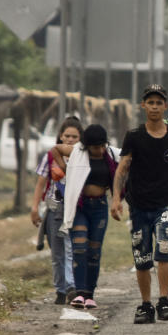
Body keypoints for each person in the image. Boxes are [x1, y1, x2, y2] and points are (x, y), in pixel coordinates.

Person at [111, 84, 168, 324]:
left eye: (159, 102)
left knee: (164, 250)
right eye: (150, 102)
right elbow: (122, 167)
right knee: (142, 257)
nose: (154, 107)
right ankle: (145, 305)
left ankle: (164, 300)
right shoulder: (133, 136)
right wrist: (116, 198)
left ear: (166, 106)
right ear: (143, 106)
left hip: (165, 204)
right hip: (139, 205)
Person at [52, 124, 119, 310]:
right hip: (80, 207)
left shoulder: (111, 154)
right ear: (87, 146)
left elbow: (127, 161)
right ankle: (79, 292)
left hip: (100, 207)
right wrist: (66, 168)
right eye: (95, 147)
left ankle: (90, 294)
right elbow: (55, 149)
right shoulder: (77, 152)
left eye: (101, 146)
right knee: (79, 248)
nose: (99, 150)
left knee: (94, 252)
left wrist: (117, 199)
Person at [30, 117, 82, 305]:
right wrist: (35, 208)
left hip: (76, 208)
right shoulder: (50, 157)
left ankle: (71, 287)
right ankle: (60, 289)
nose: (69, 139)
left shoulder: (84, 157)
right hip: (54, 208)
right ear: (60, 136)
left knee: (71, 248)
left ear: (80, 139)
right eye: (67, 135)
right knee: (56, 252)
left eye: (74, 136)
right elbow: (41, 183)